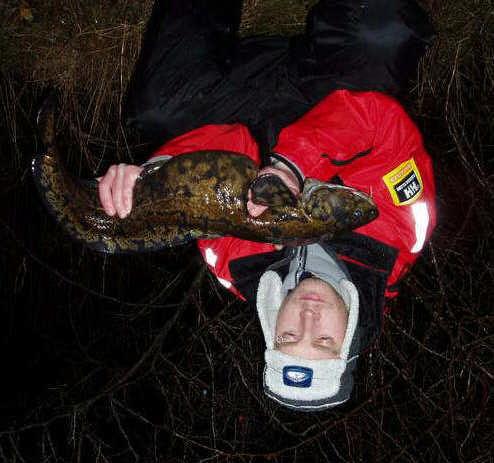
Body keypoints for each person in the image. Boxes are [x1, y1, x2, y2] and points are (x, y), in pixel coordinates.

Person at [98, 0, 436, 411]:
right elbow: (383, 123)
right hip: (332, 94)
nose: (307, 319)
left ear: (272, 330)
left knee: (158, 108)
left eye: (288, 338)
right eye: (325, 340)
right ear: (349, 338)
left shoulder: (236, 270)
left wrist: (154, 179)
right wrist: (292, 165)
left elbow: (227, 144)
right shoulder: (398, 237)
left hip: (250, 105)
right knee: (384, 32)